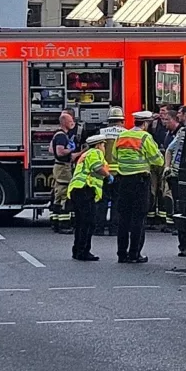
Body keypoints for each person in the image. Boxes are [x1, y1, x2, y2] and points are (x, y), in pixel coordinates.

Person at [114, 110, 164, 263]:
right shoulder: (145, 137)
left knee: (123, 218)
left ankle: (121, 254)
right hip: (140, 181)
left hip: (123, 181)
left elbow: (115, 156)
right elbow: (158, 160)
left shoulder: (122, 136)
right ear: (145, 124)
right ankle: (134, 253)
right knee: (138, 218)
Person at [67, 134, 112, 261]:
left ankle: (77, 250)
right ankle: (83, 251)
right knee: (88, 222)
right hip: (85, 189)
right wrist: (108, 176)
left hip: (78, 189)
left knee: (80, 222)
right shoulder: (95, 153)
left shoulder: (86, 154)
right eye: (103, 145)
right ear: (98, 145)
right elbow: (97, 167)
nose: (104, 148)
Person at [96, 106, 126, 235]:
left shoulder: (101, 133)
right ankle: (114, 229)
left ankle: (99, 228)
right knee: (117, 202)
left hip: (103, 172)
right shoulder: (125, 133)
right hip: (120, 173)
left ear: (108, 120)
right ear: (122, 120)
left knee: (102, 201)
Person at [165, 105, 186, 257]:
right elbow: (170, 149)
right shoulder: (181, 132)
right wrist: (167, 167)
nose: (178, 116)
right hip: (176, 175)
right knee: (179, 209)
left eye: (180, 113)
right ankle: (183, 246)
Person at [51, 112, 82, 233]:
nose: (72, 123)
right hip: (63, 168)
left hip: (59, 167)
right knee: (65, 195)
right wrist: (71, 149)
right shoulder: (61, 136)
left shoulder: (59, 135)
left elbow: (51, 150)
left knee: (58, 196)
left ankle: (55, 222)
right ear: (64, 123)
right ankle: (64, 225)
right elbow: (60, 152)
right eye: (70, 121)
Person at [159, 107, 181, 231]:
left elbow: (171, 150)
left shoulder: (180, 133)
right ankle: (171, 222)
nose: (164, 122)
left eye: (167, 120)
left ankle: (173, 224)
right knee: (167, 194)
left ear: (174, 120)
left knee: (170, 196)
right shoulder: (169, 133)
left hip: (175, 170)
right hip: (170, 169)